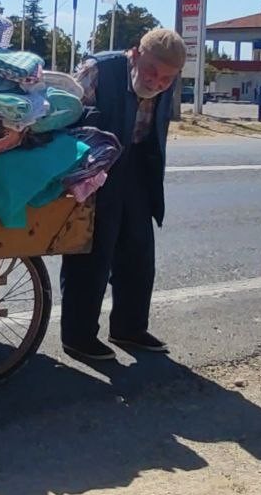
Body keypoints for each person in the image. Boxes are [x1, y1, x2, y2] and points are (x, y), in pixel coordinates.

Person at [59, 28, 187, 361]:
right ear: (134, 54)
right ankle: (78, 336)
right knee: (93, 254)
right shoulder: (99, 70)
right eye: (151, 72)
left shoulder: (166, 85)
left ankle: (130, 328)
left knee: (139, 253)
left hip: (138, 168)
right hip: (95, 167)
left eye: (166, 78)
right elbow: (61, 118)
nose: (157, 82)